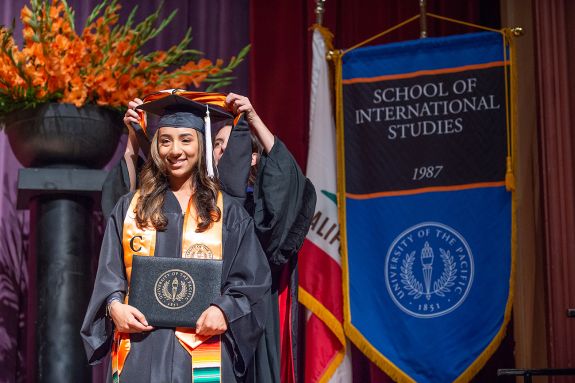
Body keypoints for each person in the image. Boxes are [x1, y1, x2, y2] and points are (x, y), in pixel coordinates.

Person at [104, 91, 316, 383]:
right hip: (139, 351)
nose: (175, 150)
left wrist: (225, 309)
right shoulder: (131, 209)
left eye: (186, 140)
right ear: (155, 147)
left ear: (200, 146)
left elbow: (250, 279)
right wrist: (114, 306)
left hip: (205, 354)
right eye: (165, 141)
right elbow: (109, 273)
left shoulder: (227, 212)